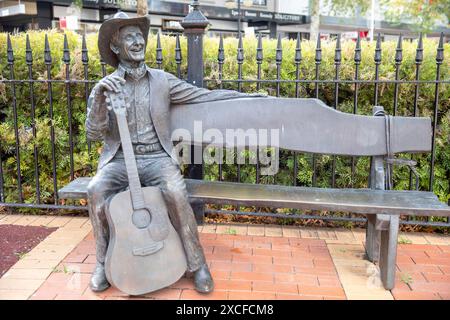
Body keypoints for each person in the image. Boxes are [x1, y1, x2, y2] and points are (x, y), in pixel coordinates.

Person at [86, 12, 265, 294]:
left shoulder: (161, 81)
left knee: (176, 193)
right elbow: (94, 134)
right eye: (128, 37)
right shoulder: (105, 88)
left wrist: (248, 97)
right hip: (119, 161)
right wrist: (97, 100)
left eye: (139, 36)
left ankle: (197, 264)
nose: (137, 42)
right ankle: (101, 263)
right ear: (115, 47)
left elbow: (205, 97)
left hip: (157, 159)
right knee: (96, 190)